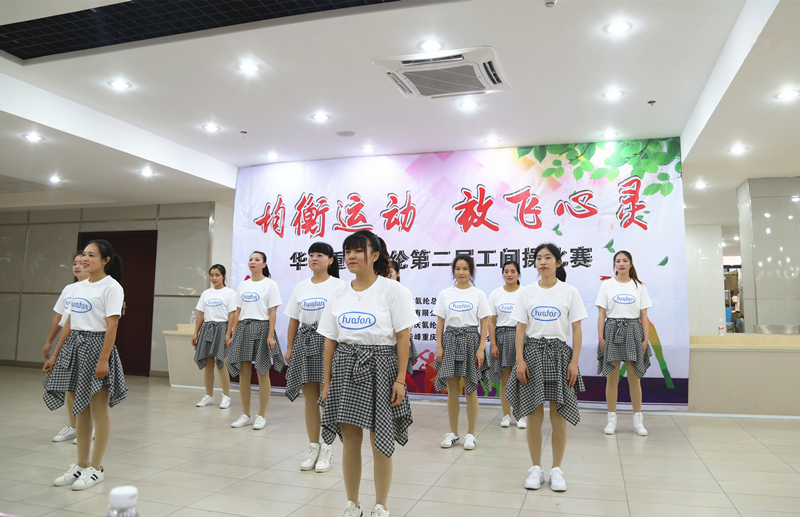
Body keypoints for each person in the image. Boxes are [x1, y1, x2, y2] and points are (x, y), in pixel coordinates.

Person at [318, 230, 418, 517]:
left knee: (380, 439)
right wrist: (327, 382)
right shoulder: (338, 292)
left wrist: (400, 379)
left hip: (382, 367)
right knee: (350, 440)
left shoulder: (394, 290)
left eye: (358, 250)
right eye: (347, 251)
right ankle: (352, 504)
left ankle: (381, 506)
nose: (351, 256)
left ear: (374, 255)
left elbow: (403, 338)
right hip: (345, 366)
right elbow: (330, 340)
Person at [43, 240, 127, 491]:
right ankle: (80, 464)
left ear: (105, 260)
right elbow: (68, 323)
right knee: (79, 411)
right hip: (74, 348)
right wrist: (56, 355)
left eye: (92, 255)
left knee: (98, 410)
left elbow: (112, 325)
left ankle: (96, 468)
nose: (86, 259)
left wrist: (103, 359)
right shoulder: (77, 287)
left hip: (97, 347)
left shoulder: (112, 287)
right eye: (84, 254)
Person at [506, 243, 587, 492]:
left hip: (560, 355)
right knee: (533, 413)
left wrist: (574, 362)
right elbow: (520, 328)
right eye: (539, 258)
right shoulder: (526, 292)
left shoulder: (569, 291)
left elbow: (576, 330)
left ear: (558, 262)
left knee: (558, 413)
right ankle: (536, 468)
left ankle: (556, 470)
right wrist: (520, 360)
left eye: (548, 257)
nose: (543, 261)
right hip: (532, 354)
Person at [284, 242, 343, 472]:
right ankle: (313, 447)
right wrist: (290, 348)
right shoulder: (301, 287)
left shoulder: (339, 286)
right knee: (309, 398)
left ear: (331, 260)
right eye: (311, 255)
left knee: (327, 397)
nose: (314, 258)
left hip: (330, 342)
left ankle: (327, 448)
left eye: (320, 255)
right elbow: (293, 319)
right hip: (305, 342)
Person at [433, 255, 491, 450]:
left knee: (471, 390)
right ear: (453, 271)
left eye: (465, 268)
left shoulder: (478, 294)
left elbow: (484, 322)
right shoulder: (445, 294)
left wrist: (481, 348)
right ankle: (453, 434)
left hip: (471, 341)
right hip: (450, 340)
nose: (461, 272)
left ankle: (471, 434)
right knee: (452, 391)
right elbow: (440, 322)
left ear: (471, 271)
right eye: (458, 268)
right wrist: (439, 346)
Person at [596, 250, 653, 436]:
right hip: (612, 329)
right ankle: (611, 419)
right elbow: (601, 314)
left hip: (634, 330)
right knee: (612, 379)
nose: (621, 263)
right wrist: (601, 337)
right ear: (615, 264)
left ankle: (638, 420)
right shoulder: (607, 285)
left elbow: (644, 315)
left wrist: (645, 339)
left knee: (634, 379)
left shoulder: (639, 286)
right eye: (618, 261)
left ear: (630, 264)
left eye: (624, 260)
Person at [227, 252, 284, 430]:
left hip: (262, 328)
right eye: (251, 259)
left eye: (257, 260)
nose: (253, 262)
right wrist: (233, 334)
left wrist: (270, 335)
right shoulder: (243, 285)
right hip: (243, 328)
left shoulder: (270, 285)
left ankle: (261, 415)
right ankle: (245, 414)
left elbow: (272, 312)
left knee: (262, 371)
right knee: (244, 373)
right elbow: (237, 311)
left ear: (264, 264)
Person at [45, 252, 91, 444]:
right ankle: (74, 426)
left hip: (88, 339)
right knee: (69, 385)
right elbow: (60, 317)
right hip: (67, 339)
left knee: (86, 386)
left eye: (83, 263)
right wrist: (49, 341)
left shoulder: (98, 288)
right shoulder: (69, 289)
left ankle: (88, 427)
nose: (77, 266)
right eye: (75, 263)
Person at [487, 260, 525, 429]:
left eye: (513, 271)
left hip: (521, 337)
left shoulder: (525, 293)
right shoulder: (496, 294)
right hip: (501, 337)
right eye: (506, 271)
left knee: (522, 378)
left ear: (518, 274)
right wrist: (493, 343)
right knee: (505, 379)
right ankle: (506, 415)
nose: (509, 274)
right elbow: (491, 321)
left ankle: (521, 415)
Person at [192, 264, 236, 409]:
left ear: (223, 276)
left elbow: (232, 315)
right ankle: (209, 396)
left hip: (222, 328)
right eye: (212, 275)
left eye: (217, 275)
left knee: (221, 364)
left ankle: (226, 396)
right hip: (207, 329)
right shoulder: (206, 293)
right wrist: (196, 332)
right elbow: (201, 314)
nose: (214, 278)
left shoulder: (230, 293)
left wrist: (228, 334)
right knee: (208, 364)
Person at [388, 259, 418, 378]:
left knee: (398, 375)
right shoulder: (379, 291)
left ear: (398, 273)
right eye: (384, 272)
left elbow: (409, 319)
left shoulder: (404, 291)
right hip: (384, 339)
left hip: (400, 338)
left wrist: (406, 339)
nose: (387, 275)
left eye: (390, 272)